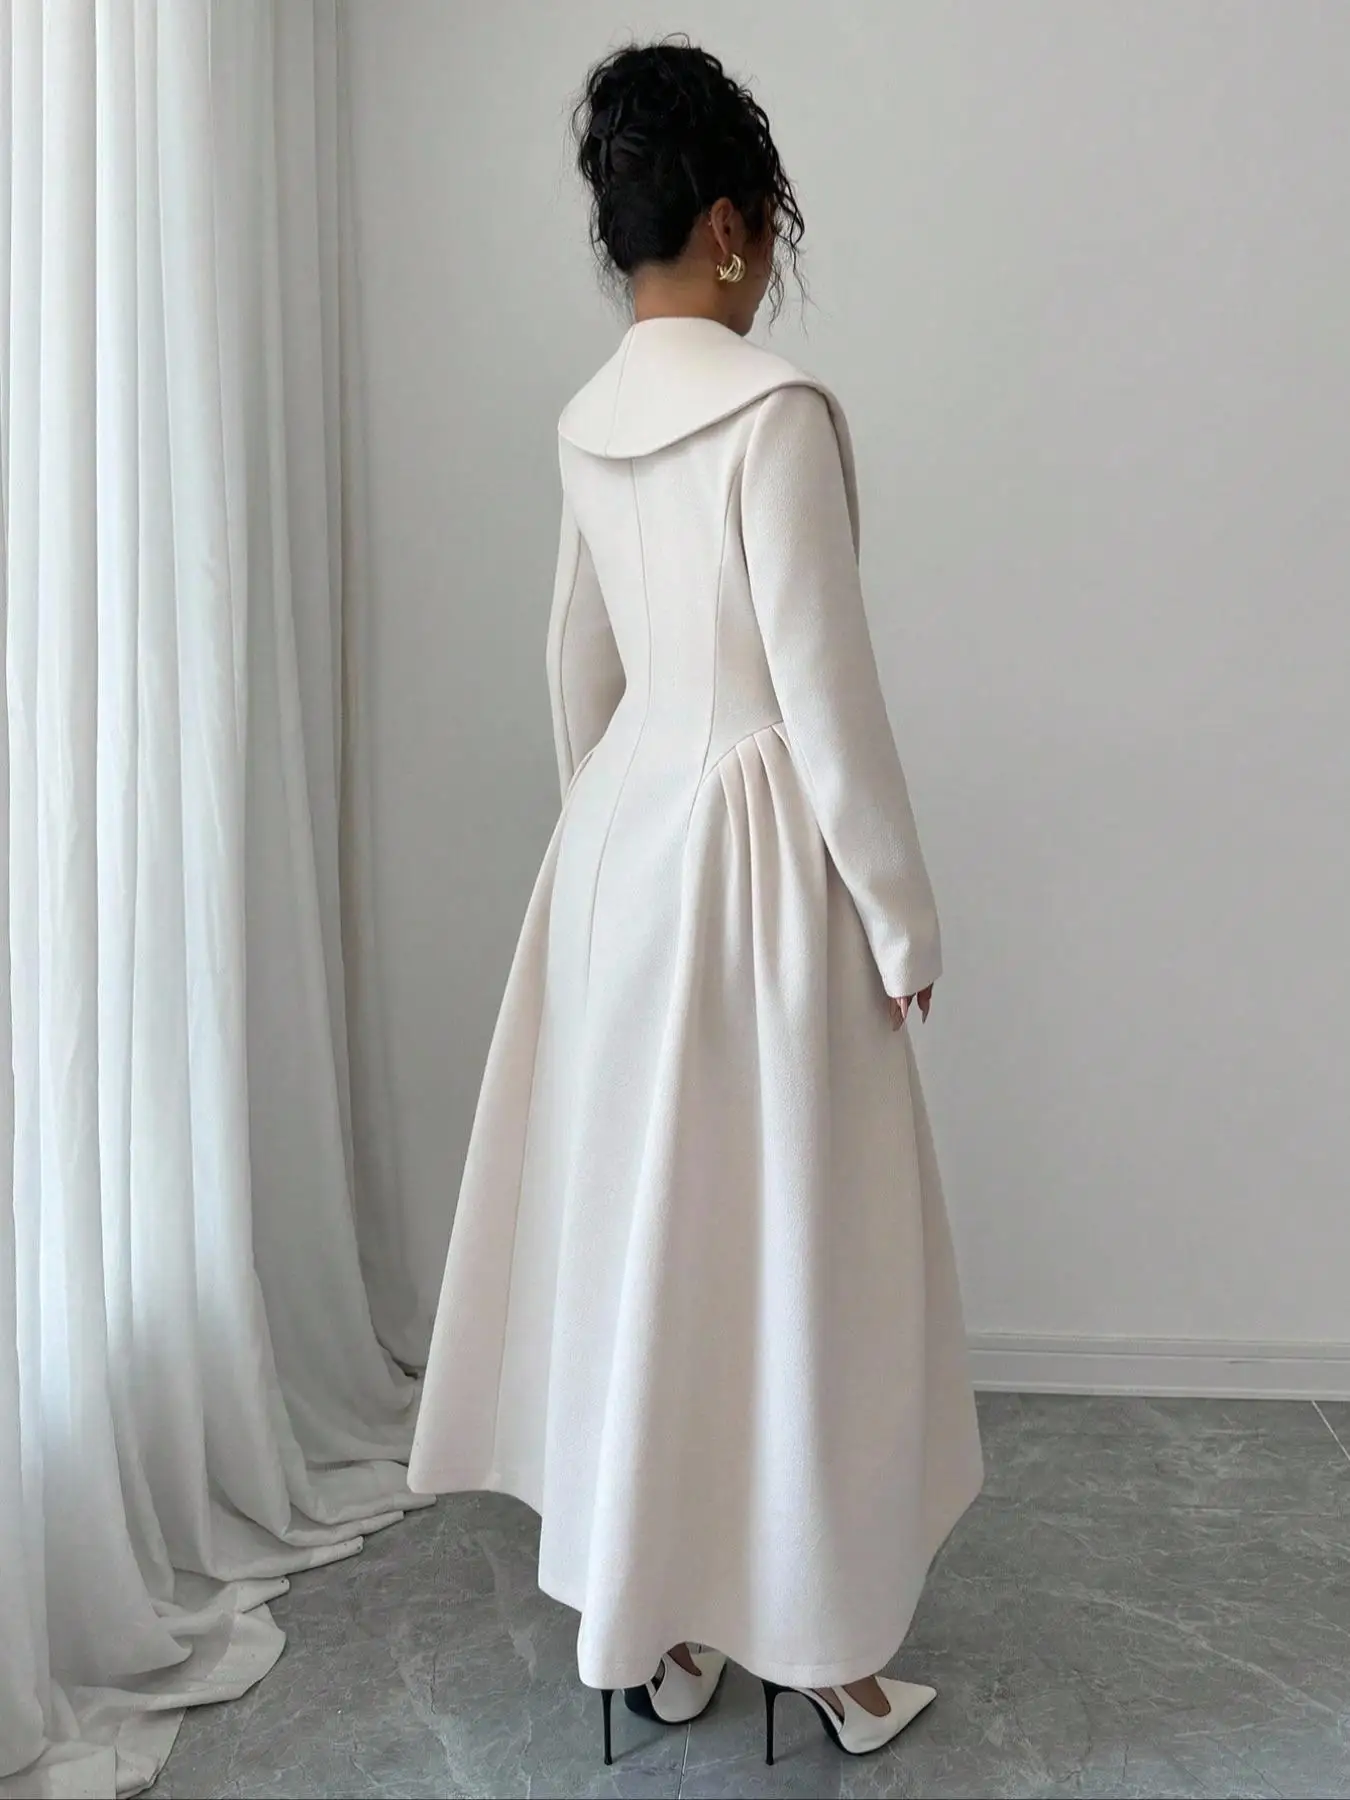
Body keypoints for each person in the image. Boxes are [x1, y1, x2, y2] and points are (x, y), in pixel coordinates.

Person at [407, 37, 985, 1770]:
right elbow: (824, 698)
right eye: (767, 228)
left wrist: (607, 837)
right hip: (759, 863)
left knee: (644, 1241)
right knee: (794, 1247)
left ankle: (653, 1623)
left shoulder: (588, 418)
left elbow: (572, 663)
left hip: (623, 848)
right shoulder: (771, 411)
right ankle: (819, 1644)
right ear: (729, 225)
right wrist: (900, 918)